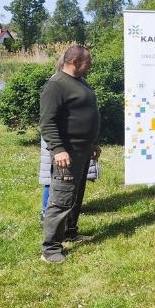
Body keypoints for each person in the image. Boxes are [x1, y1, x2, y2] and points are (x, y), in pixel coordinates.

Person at [39, 45, 101, 263]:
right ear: (75, 62)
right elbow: (47, 122)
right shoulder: (56, 85)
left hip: (84, 151)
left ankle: (70, 232)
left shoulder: (80, 82)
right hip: (67, 153)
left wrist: (93, 142)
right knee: (61, 199)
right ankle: (51, 249)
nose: (90, 65)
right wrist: (58, 149)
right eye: (88, 62)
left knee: (75, 197)